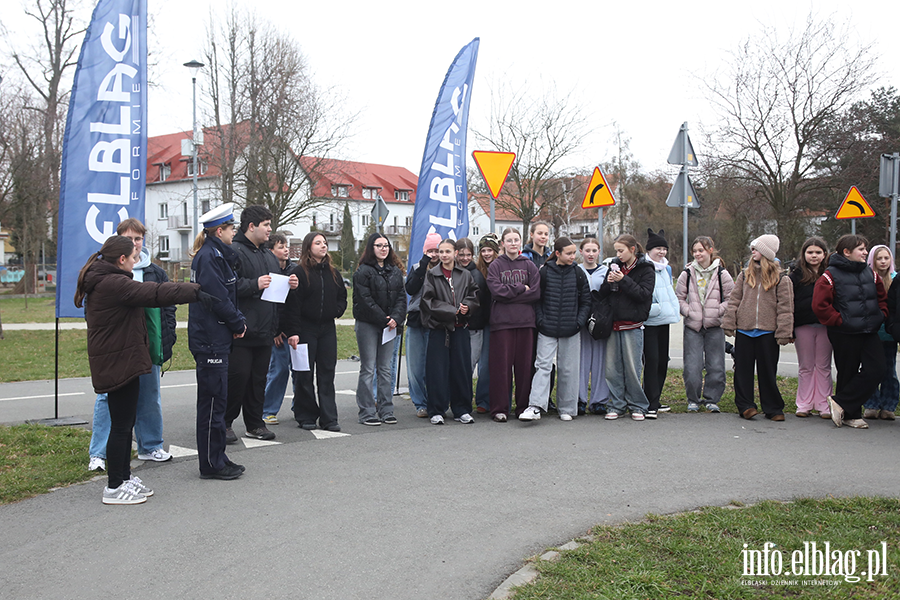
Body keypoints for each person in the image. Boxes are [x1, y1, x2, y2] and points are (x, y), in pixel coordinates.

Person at [75, 235, 202, 504]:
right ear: (122, 259)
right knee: (121, 426)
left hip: (122, 359)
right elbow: (154, 293)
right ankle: (113, 487)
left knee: (125, 423)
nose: (136, 263)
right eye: (134, 258)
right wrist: (195, 291)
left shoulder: (107, 279)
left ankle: (124, 477)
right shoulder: (113, 283)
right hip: (116, 362)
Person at [87, 218, 179, 471]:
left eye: (138, 239)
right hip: (118, 348)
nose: (135, 244)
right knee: (108, 398)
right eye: (129, 239)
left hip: (148, 346)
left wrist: (166, 340)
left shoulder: (155, 272)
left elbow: (167, 308)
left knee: (150, 396)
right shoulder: (106, 271)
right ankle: (99, 452)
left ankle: (150, 447)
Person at [225, 205, 297, 443]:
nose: (270, 230)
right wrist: (254, 284)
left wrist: (289, 284)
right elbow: (228, 287)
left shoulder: (268, 255)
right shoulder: (233, 251)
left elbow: (276, 294)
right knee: (238, 378)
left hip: (265, 330)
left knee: (258, 380)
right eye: (266, 225)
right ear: (251, 226)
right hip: (242, 330)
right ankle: (224, 423)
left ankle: (255, 424)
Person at [188, 203, 248, 480]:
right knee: (212, 403)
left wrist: (234, 322)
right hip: (210, 339)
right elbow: (216, 298)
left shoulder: (218, 255)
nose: (234, 232)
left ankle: (218, 456)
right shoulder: (209, 257)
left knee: (218, 401)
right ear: (219, 230)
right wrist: (237, 322)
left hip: (217, 336)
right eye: (231, 228)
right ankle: (211, 464)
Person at [813, 235, 887, 428]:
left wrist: (881, 315)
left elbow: (882, 298)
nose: (865, 253)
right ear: (847, 252)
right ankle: (850, 416)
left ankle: (841, 402)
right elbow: (820, 305)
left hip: (869, 330)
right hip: (843, 332)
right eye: (861, 249)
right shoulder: (829, 275)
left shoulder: (871, 273)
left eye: (865, 249)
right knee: (847, 372)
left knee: (878, 369)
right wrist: (840, 321)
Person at [519, 237, 591, 422]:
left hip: (571, 329)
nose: (573, 257)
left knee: (569, 369)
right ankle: (535, 406)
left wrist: (578, 322)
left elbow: (586, 301)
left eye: (574, 253)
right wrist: (541, 320)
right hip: (547, 329)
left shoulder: (578, 273)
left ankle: (566, 408)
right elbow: (537, 299)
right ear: (557, 254)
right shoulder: (544, 272)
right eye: (569, 253)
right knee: (542, 366)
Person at [723, 234, 794, 421]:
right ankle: (746, 405)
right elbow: (734, 300)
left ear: (765, 252)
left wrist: (784, 331)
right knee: (742, 370)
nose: (752, 252)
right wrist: (729, 322)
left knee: (768, 371)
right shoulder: (744, 275)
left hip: (768, 332)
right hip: (745, 331)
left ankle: (773, 408)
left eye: (756, 249)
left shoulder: (782, 278)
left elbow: (786, 308)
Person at [282, 232, 348, 431]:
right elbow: (291, 305)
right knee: (304, 373)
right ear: (308, 247)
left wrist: (336, 311)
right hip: (305, 329)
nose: (323, 246)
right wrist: (293, 331)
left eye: (325, 243)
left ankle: (329, 418)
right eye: (318, 243)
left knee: (327, 373)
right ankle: (306, 415)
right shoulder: (300, 273)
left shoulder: (333, 273)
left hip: (327, 329)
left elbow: (342, 297)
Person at [597, 234, 655, 421]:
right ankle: (617, 405)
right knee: (612, 369)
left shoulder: (646, 268)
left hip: (633, 324)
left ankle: (638, 405)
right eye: (616, 251)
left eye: (621, 250)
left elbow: (643, 294)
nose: (618, 254)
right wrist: (609, 283)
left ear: (632, 249)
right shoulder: (614, 266)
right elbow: (603, 294)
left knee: (632, 367)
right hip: (613, 324)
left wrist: (623, 280)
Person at [421, 238, 479, 424]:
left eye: (447, 251)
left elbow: (473, 295)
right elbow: (428, 301)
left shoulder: (464, 274)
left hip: (460, 329)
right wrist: (451, 310)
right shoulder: (432, 274)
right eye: (441, 251)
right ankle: (436, 409)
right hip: (440, 329)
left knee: (461, 370)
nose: (444, 255)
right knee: (437, 370)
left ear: (455, 253)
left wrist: (467, 307)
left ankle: (462, 409)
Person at [675, 236, 734, 414]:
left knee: (715, 365)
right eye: (694, 251)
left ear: (710, 250)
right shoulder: (687, 273)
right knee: (692, 366)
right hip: (693, 327)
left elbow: (732, 299)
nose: (697, 254)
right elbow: (678, 298)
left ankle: (712, 399)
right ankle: (693, 399)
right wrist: (689, 312)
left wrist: (717, 311)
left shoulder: (722, 273)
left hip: (715, 326)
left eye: (701, 250)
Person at [487, 228, 541, 422]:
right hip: (502, 324)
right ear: (502, 243)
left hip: (526, 323)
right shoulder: (495, 266)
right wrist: (519, 289)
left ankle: (522, 408)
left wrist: (509, 296)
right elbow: (496, 292)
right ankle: (499, 409)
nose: (512, 243)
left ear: (520, 242)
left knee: (524, 368)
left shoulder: (529, 265)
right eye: (508, 240)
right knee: (501, 368)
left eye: (516, 240)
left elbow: (535, 293)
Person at [353, 233, 406, 426]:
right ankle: (367, 411)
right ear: (371, 248)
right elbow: (365, 300)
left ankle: (386, 409)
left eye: (386, 246)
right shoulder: (363, 271)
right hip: (368, 324)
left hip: (389, 326)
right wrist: (384, 318)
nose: (383, 249)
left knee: (385, 369)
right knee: (368, 368)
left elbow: (401, 297)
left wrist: (397, 318)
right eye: (379, 245)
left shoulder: (395, 271)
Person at [789, 237, 832, 419]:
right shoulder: (795, 276)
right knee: (806, 366)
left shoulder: (830, 274)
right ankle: (804, 404)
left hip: (825, 326)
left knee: (823, 366)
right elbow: (789, 303)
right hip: (802, 325)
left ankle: (824, 404)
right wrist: (789, 328)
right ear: (804, 254)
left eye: (818, 252)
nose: (814, 256)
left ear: (824, 254)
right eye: (810, 252)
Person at [642, 229, 681, 419]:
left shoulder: (666, 268)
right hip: (650, 320)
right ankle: (649, 401)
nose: (662, 252)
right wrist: (653, 309)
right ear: (649, 250)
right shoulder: (644, 267)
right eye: (658, 248)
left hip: (664, 319)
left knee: (662, 361)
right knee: (652, 360)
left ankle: (655, 398)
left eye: (664, 249)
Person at [262, 232, 298, 425]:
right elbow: (271, 304)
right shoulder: (268, 272)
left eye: (286, 246)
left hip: (294, 330)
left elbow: (296, 303)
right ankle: (268, 409)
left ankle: (299, 406)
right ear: (271, 251)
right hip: (277, 331)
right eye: (280, 246)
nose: (285, 249)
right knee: (278, 370)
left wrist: (297, 286)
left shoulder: (295, 270)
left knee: (299, 370)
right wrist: (275, 331)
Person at [405, 233, 441, 418]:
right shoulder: (417, 267)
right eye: (430, 250)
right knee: (415, 367)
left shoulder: (446, 269)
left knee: (433, 365)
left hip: (436, 321)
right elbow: (410, 289)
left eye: (437, 250)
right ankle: (420, 404)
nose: (434, 254)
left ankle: (435, 401)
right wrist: (424, 263)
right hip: (416, 320)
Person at [862, 245, 899, 421]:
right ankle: (870, 404)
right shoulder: (867, 278)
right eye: (879, 258)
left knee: (889, 370)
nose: (883, 261)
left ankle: (889, 405)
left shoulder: (895, 279)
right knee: (870, 369)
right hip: (871, 332)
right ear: (872, 260)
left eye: (886, 258)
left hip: (890, 334)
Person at [455, 237, 489, 415]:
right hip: (458, 327)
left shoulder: (475, 275)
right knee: (459, 367)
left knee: (468, 366)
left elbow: (477, 301)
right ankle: (459, 401)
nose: (465, 258)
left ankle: (465, 402)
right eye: (461, 254)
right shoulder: (452, 271)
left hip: (474, 328)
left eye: (468, 255)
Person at [578, 237, 610, 415]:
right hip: (581, 323)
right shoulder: (576, 270)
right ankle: (580, 399)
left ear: (599, 252)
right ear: (580, 251)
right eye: (587, 250)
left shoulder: (606, 271)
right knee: (581, 361)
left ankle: (599, 400)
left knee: (600, 361)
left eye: (594, 250)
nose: (590, 254)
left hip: (599, 323)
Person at [472, 233, 500, 413]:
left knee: (492, 362)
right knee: (479, 361)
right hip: (480, 321)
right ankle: (478, 399)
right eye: (483, 250)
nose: (487, 254)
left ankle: (488, 399)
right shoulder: (477, 270)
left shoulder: (501, 268)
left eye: (490, 250)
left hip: (497, 321)